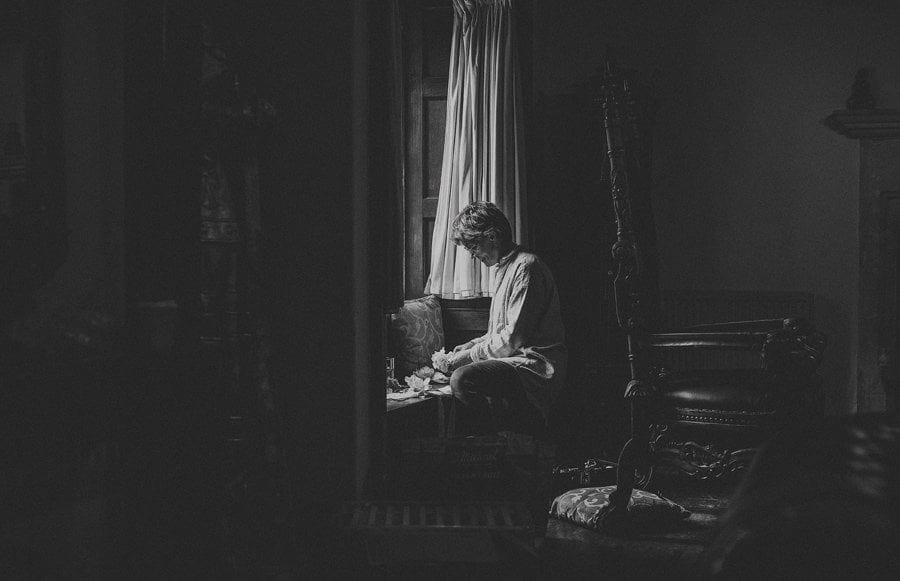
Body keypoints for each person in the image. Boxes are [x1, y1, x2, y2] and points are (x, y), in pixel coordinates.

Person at [445, 201, 567, 437]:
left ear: (492, 236)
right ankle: (492, 446)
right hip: (514, 356)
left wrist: (467, 357)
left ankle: (492, 448)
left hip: (534, 363)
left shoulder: (526, 267)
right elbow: (501, 330)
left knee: (462, 378)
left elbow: (512, 339)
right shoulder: (504, 267)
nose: (472, 255)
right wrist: (471, 345)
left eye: (473, 246)